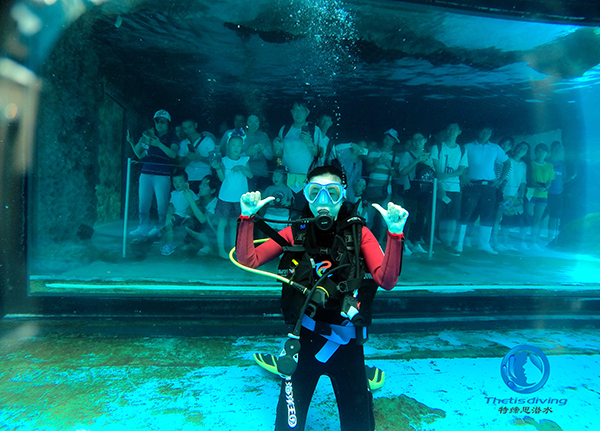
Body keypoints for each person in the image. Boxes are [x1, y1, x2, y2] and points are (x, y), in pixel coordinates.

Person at [236, 165, 408, 431]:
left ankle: (364, 380)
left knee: (359, 426)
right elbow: (250, 259)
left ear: (343, 195)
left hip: (347, 346)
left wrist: (395, 235)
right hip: (304, 341)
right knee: (287, 427)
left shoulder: (358, 233)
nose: (323, 202)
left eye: (332, 193)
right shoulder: (297, 232)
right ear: (306, 196)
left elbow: (386, 280)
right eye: (315, 193)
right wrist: (247, 218)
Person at [454, 126, 510, 255]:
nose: (485, 134)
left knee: (488, 214)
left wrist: (501, 179)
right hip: (472, 184)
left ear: (491, 134)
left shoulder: (495, 148)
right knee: (466, 213)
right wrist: (462, 176)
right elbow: (459, 162)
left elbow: (507, 163)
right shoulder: (467, 147)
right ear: (477, 131)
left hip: (490, 186)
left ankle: (484, 244)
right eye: (483, 131)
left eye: (488, 132)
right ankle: (459, 243)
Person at [128, 109, 180, 239]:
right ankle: (142, 227)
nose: (159, 124)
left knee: (162, 205)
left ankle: (160, 228)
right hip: (146, 172)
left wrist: (158, 144)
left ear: (168, 123)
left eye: (163, 121)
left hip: (162, 175)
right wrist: (141, 140)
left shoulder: (172, 137)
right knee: (143, 202)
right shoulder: (149, 136)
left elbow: (173, 154)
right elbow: (139, 155)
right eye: (157, 121)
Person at [213, 130, 252, 259]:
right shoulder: (223, 160)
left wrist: (241, 167)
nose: (236, 147)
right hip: (225, 196)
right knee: (222, 223)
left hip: (240, 198)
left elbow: (250, 175)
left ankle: (233, 250)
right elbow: (222, 178)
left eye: (239, 145)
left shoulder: (245, 159)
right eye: (234, 144)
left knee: (234, 225)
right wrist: (218, 168)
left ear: (242, 146)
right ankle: (220, 250)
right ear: (229, 145)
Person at [430, 123, 468, 255]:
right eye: (449, 129)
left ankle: (448, 244)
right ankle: (430, 241)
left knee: (453, 217)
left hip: (454, 188)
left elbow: (462, 170)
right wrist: (440, 187)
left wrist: (446, 175)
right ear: (446, 131)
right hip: (437, 186)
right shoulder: (437, 147)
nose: (452, 131)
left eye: (455, 129)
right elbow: (434, 169)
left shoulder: (462, 150)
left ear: (459, 132)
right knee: (435, 215)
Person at [273, 101, 324, 191]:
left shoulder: (314, 130)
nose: (298, 113)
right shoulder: (285, 129)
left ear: (307, 112)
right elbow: (279, 155)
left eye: (302, 110)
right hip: (287, 177)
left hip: (308, 177)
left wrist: (309, 144)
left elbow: (321, 154)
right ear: (291, 111)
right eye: (296, 109)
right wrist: (276, 146)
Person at [398, 132, 435, 254]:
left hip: (425, 189)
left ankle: (416, 242)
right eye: (415, 139)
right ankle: (404, 243)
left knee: (422, 216)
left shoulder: (428, 155)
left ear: (425, 140)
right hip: (410, 189)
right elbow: (402, 172)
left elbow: (432, 172)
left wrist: (429, 164)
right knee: (409, 216)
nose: (417, 141)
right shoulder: (407, 154)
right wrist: (417, 161)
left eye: (420, 139)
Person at [365, 129, 401, 243]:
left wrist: (389, 166)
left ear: (394, 142)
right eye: (386, 138)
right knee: (368, 217)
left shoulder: (396, 157)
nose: (387, 141)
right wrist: (378, 162)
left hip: (386, 191)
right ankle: (366, 241)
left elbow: (396, 175)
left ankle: (380, 241)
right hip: (371, 189)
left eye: (390, 139)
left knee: (383, 219)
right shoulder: (373, 153)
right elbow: (368, 169)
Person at [159, 170, 198, 256]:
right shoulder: (173, 193)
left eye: (180, 181)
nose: (177, 184)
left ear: (186, 182)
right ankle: (170, 240)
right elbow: (171, 204)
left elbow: (197, 201)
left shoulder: (189, 192)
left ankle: (170, 245)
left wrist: (190, 208)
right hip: (175, 215)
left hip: (183, 216)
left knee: (168, 226)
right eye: (175, 181)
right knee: (160, 226)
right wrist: (169, 214)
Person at [183, 174, 220, 256]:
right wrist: (191, 196)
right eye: (201, 184)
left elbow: (203, 220)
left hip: (214, 233)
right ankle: (199, 244)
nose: (201, 187)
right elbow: (188, 211)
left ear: (212, 190)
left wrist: (191, 200)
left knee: (192, 222)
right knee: (188, 223)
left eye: (205, 185)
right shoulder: (200, 198)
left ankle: (209, 246)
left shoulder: (216, 203)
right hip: (203, 230)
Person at [177, 117, 216, 194]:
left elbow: (215, 162)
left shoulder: (208, 140)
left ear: (195, 125)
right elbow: (179, 166)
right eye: (185, 128)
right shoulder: (183, 143)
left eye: (190, 127)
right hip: (188, 179)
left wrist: (200, 158)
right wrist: (187, 159)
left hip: (206, 180)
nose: (188, 130)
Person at [527, 143, 554, 250]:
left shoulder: (549, 166)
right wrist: (537, 186)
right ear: (535, 152)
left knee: (538, 219)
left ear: (547, 153)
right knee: (528, 217)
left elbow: (550, 181)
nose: (541, 153)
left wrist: (545, 188)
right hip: (530, 193)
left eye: (543, 151)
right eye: (539, 150)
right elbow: (529, 178)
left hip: (543, 194)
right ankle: (524, 239)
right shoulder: (531, 164)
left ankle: (533, 241)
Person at [243, 114, 274, 192]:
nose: (253, 124)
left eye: (256, 121)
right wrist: (247, 153)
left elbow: (270, 156)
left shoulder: (263, 136)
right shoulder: (241, 136)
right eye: (250, 122)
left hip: (262, 175)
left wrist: (264, 149)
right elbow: (233, 156)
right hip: (246, 175)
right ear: (246, 123)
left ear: (259, 123)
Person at [262, 165, 294, 231]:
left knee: (281, 235)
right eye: (274, 176)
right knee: (269, 234)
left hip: (283, 216)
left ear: (284, 177)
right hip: (270, 215)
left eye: (278, 176)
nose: (275, 178)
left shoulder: (287, 189)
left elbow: (292, 201)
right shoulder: (269, 189)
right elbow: (262, 199)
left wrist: (287, 202)